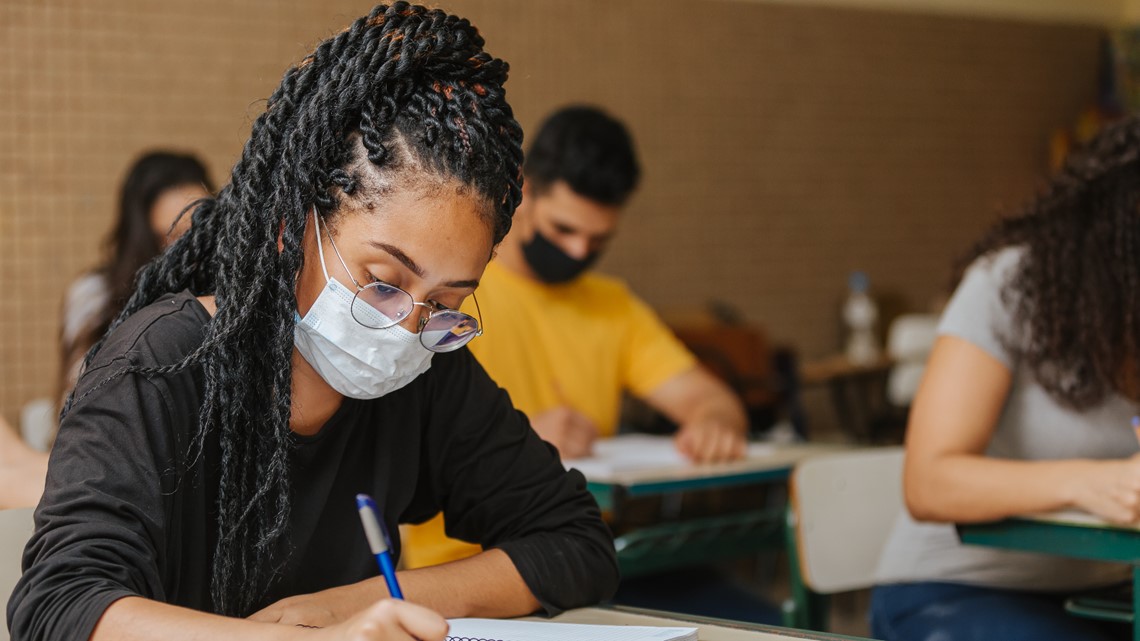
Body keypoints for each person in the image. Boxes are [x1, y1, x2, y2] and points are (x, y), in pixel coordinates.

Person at [8, 5, 618, 641]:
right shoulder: (158, 367)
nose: (408, 329)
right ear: (290, 229)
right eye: (384, 283)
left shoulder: (422, 377)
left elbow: (575, 542)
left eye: (446, 305)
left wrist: (356, 602)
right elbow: (59, 605)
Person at [402, 105, 748, 569]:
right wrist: (515, 446)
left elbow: (709, 399)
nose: (578, 250)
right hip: (458, 565)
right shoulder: (454, 295)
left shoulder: (614, 306)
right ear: (521, 191)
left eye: (598, 239)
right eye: (563, 229)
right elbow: (399, 451)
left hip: (578, 559)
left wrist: (715, 422)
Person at [870, 116, 1140, 641]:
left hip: (1101, 596)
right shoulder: (1009, 286)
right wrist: (1089, 481)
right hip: (953, 592)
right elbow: (928, 482)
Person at [60, 151, 214, 401]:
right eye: (171, 238)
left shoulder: (225, 295)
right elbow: (75, 402)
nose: (189, 251)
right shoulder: (95, 296)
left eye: (198, 232)